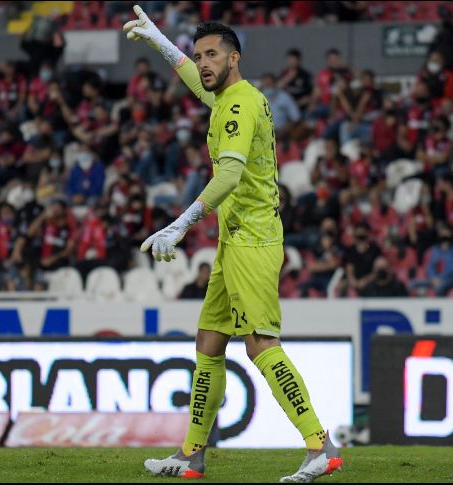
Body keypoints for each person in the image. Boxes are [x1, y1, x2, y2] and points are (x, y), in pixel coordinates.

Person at [124, 8, 342, 482]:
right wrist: (160, 39)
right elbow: (191, 78)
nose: (203, 63)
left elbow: (229, 173)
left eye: (212, 55)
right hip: (234, 239)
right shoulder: (228, 96)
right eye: (200, 55)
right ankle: (192, 454)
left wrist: (180, 225)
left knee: (260, 343)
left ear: (234, 58)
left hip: (255, 240)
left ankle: (320, 445)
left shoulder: (239, 106)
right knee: (209, 341)